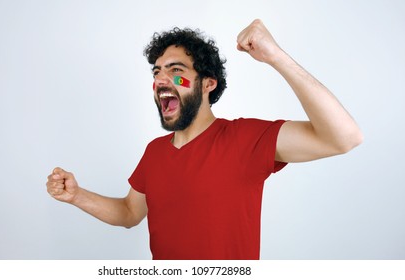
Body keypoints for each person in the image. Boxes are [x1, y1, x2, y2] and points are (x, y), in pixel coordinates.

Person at [46, 19, 363, 260]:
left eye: (176, 70)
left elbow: (343, 137)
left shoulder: (245, 139)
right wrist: (77, 195)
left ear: (208, 83)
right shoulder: (154, 152)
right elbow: (130, 212)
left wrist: (275, 57)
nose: (160, 80)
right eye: (157, 72)